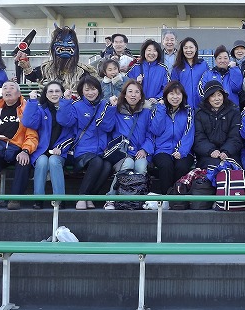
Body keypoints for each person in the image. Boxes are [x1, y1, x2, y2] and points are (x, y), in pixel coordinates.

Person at [0, 81, 39, 211]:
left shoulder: (26, 108)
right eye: (5, 88)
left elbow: (32, 134)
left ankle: (15, 199)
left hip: (18, 148)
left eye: (12, 88)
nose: (8, 90)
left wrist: (26, 150)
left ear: (19, 93)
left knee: (24, 163)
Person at [56, 75, 111, 210]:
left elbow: (108, 127)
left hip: (100, 150)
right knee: (97, 162)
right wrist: (65, 101)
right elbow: (65, 121)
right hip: (82, 150)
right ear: (81, 91)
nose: (90, 93)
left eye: (93, 89)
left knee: (107, 166)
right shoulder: (77, 106)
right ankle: (81, 197)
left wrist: (111, 109)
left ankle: (90, 197)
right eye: (87, 90)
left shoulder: (105, 105)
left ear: (99, 90)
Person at [99, 79, 152, 209]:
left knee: (141, 166)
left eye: (137, 92)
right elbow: (106, 127)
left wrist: (145, 149)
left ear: (141, 96)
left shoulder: (146, 113)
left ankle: (137, 200)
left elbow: (151, 134)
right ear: (124, 94)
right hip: (121, 152)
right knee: (128, 164)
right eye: (130, 91)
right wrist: (111, 108)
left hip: (139, 151)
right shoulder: (116, 110)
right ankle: (111, 198)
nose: (133, 95)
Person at [21, 81, 75, 209]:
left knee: (54, 161)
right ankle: (38, 199)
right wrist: (32, 102)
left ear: (62, 93)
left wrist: (65, 103)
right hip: (42, 150)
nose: (54, 94)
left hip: (62, 151)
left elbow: (70, 128)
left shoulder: (70, 107)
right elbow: (28, 122)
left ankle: (59, 199)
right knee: (42, 161)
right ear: (45, 94)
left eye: (57, 91)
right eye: (50, 91)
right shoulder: (41, 109)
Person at [149, 81, 195, 195]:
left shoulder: (188, 111)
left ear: (183, 96)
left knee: (181, 166)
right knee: (166, 165)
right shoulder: (158, 109)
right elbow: (156, 130)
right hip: (162, 149)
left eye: (178, 94)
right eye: (171, 94)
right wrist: (161, 109)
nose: (175, 97)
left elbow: (188, 133)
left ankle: (178, 197)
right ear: (166, 95)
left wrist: (181, 151)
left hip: (184, 150)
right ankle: (166, 197)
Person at [18, 25, 97, 91]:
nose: (65, 45)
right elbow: (33, 77)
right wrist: (26, 65)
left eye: (69, 42)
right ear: (53, 46)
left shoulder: (82, 71)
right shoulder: (47, 68)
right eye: (60, 42)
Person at [194, 80, 243, 169]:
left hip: (230, 154)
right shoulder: (199, 114)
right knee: (215, 168)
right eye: (212, 96)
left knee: (230, 169)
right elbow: (198, 138)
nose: (217, 99)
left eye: (219, 95)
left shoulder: (234, 112)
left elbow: (235, 136)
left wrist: (226, 151)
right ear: (207, 98)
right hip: (207, 155)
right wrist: (211, 151)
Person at [127, 39, 169, 105]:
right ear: (144, 51)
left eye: (155, 51)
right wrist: (136, 82)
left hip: (155, 105)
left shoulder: (163, 69)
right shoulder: (136, 67)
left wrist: (157, 98)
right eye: (149, 50)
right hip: (137, 105)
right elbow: (126, 84)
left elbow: (167, 88)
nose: (151, 53)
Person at [170, 37, 209, 110]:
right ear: (182, 50)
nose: (188, 50)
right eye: (186, 48)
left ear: (196, 49)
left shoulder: (203, 65)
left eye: (191, 47)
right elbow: (174, 88)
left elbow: (208, 84)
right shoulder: (177, 68)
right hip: (183, 107)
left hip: (202, 107)